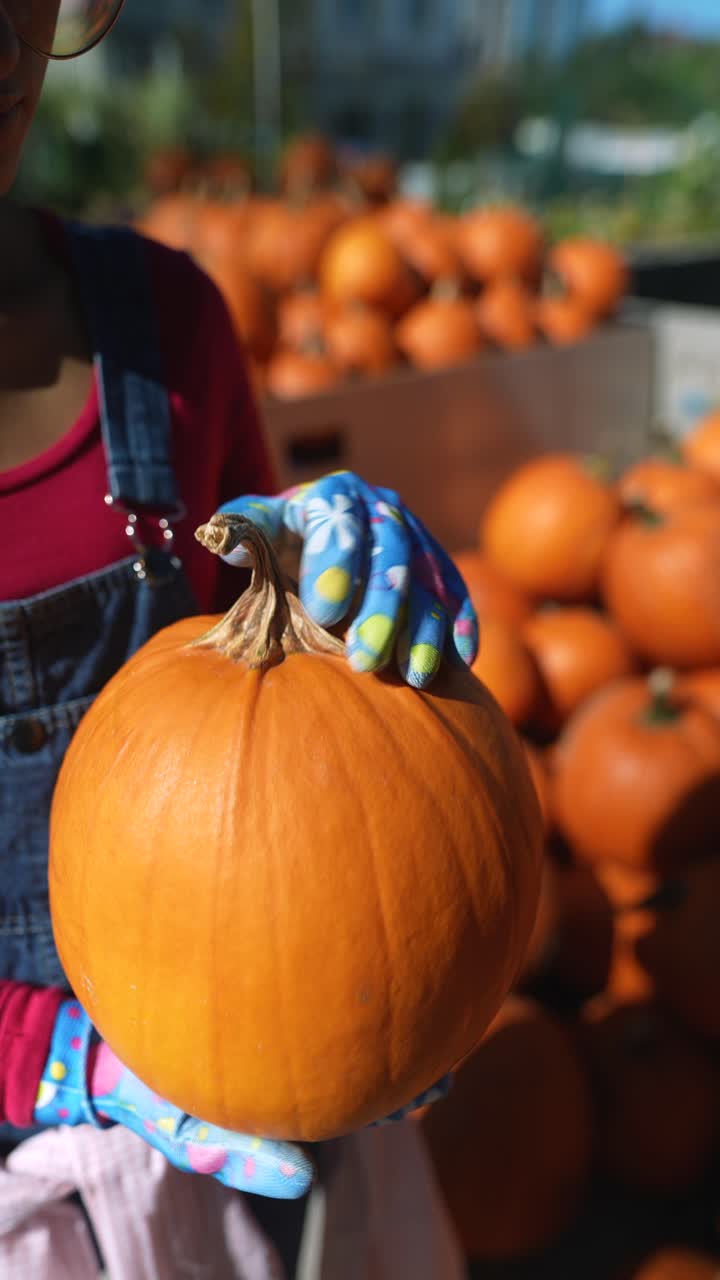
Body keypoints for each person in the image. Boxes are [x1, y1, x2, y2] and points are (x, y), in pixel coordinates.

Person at [0, 2, 476, 1276]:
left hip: (265, 1070)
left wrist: (328, 582)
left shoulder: (165, 324)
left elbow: (271, 677)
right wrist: (39, 1050)